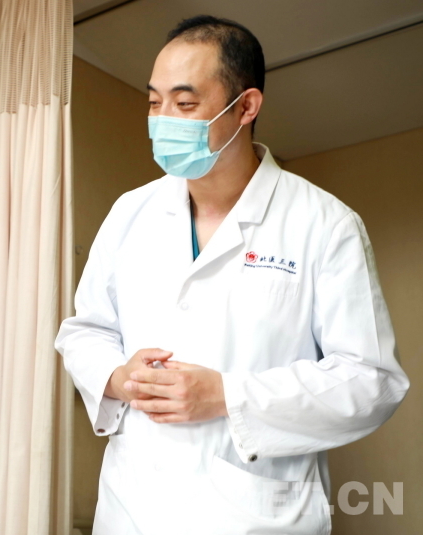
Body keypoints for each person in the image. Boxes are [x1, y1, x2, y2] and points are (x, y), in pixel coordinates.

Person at [56, 15, 409, 535]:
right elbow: (85, 331)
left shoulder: (324, 223)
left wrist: (228, 396)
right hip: (131, 508)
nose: (163, 120)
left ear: (245, 106)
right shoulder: (131, 212)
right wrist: (119, 377)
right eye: (154, 103)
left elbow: (371, 381)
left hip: (255, 516)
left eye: (185, 103)